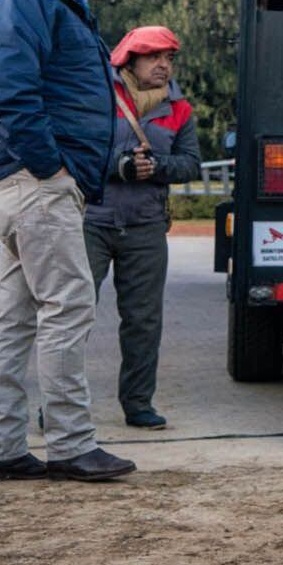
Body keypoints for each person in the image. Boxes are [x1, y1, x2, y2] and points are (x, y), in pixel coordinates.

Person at [0, 0, 135, 484]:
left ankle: (0, 448)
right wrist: (52, 167)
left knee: (13, 319)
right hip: (35, 183)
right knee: (69, 306)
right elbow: (9, 91)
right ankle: (70, 445)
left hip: (25, 183)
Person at [84, 26, 201, 430]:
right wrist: (120, 164)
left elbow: (191, 164)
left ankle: (138, 404)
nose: (163, 65)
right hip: (91, 222)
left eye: (168, 58)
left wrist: (157, 169)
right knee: (73, 314)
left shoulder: (180, 108)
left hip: (147, 226)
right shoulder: (99, 95)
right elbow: (79, 148)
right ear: (129, 61)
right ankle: (60, 405)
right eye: (154, 57)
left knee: (144, 321)